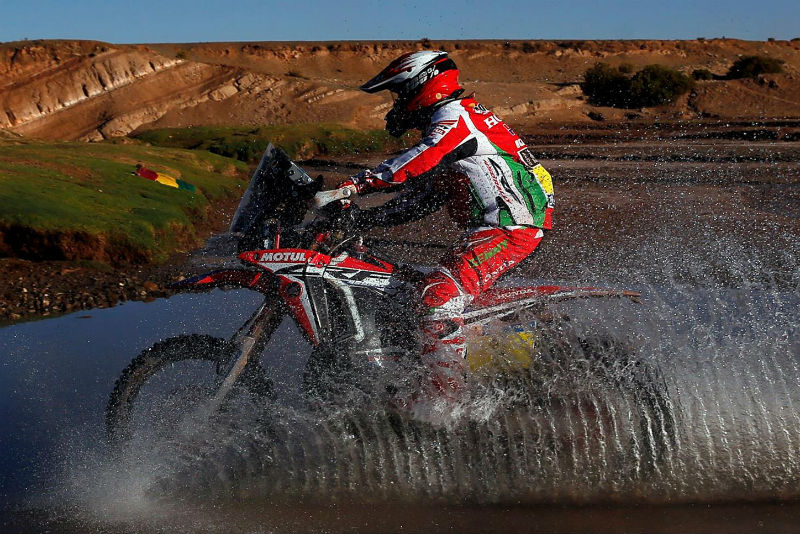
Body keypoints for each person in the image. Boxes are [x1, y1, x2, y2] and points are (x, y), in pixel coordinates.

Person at [336, 50, 554, 415]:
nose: (397, 104)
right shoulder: (459, 121)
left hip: (509, 227)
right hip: (499, 225)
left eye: (398, 93)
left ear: (422, 85)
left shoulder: (454, 118)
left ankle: (443, 400)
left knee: (438, 296)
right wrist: (361, 219)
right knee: (404, 287)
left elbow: (420, 158)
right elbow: (423, 197)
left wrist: (351, 187)